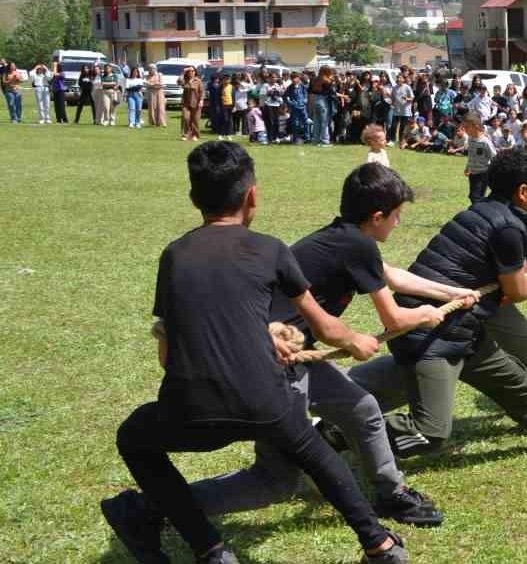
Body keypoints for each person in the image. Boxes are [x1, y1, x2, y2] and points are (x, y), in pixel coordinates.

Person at [100, 142, 411, 564]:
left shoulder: (174, 256)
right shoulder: (271, 250)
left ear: (194, 200)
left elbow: (168, 354)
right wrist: (356, 341)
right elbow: (324, 327)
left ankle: (213, 557)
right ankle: (383, 549)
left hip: (193, 410)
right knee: (317, 457)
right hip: (266, 402)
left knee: (134, 438)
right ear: (252, 198)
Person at [172, 164, 460, 530]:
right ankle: (160, 504)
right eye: (397, 216)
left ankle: (392, 493)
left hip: (292, 356)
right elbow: (395, 321)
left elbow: (391, 274)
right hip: (275, 363)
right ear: (376, 217)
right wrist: (424, 315)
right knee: (275, 480)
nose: (398, 224)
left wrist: (452, 294)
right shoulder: (357, 245)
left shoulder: (344, 238)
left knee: (363, 408)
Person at [348, 148, 527, 457]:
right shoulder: (508, 228)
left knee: (513, 382)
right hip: (431, 330)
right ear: (522, 192)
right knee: (431, 432)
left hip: (462, 326)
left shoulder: (484, 209)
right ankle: (343, 430)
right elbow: (517, 290)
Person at [146, 64, 166, 129]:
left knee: (160, 107)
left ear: (155, 69)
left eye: (152, 69)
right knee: (152, 107)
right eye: (150, 69)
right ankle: (153, 122)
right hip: (151, 93)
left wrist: (153, 84)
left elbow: (162, 85)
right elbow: (147, 85)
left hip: (159, 92)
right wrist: (153, 85)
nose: (151, 70)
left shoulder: (159, 75)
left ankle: (161, 122)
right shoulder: (148, 76)